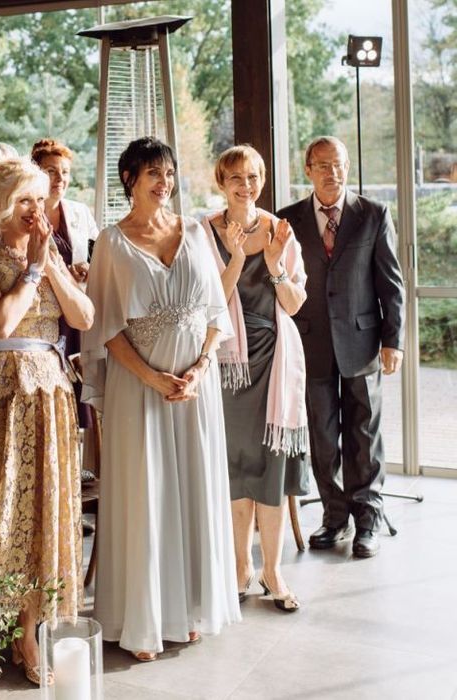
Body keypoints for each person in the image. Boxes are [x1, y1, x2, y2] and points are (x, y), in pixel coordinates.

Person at [81, 137, 240, 660]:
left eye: (169, 172)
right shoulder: (111, 241)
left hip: (195, 391)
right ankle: (142, 619)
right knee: (146, 495)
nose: (164, 181)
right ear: (129, 178)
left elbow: (216, 316)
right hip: (139, 389)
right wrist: (151, 377)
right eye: (153, 172)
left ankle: (188, 607)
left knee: (192, 488)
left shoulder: (195, 232)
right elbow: (106, 328)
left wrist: (196, 370)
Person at [0, 150, 94, 685]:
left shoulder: (47, 252)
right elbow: (0, 322)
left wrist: (50, 264)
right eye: (25, 200)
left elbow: (84, 316)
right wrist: (33, 267)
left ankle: (28, 632)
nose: (37, 209)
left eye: (40, 197)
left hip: (47, 394)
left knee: (42, 513)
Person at [277, 136, 405, 559]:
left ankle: (367, 519)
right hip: (309, 344)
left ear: (348, 167)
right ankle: (335, 518)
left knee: (364, 434)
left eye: (339, 165)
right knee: (324, 436)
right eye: (323, 165)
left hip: (363, 342)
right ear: (308, 169)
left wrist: (393, 340)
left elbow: (391, 283)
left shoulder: (373, 215)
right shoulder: (288, 220)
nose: (332, 173)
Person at [201, 145, 309, 612]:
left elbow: (294, 304)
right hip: (227, 363)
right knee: (235, 464)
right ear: (221, 183)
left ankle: (273, 569)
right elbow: (210, 300)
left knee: (271, 466)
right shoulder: (204, 232)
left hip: (274, 362)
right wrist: (236, 255)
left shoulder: (280, 230)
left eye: (253, 177)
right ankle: (241, 566)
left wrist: (274, 265)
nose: (246, 186)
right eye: (235, 178)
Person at [31, 138, 99, 429]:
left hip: (74, 310)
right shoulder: (30, 213)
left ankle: (80, 458)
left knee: (79, 387)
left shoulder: (80, 212)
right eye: (52, 171)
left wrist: (87, 268)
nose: (60, 179)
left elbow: (99, 252)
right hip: (44, 312)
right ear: (36, 173)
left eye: (66, 172)